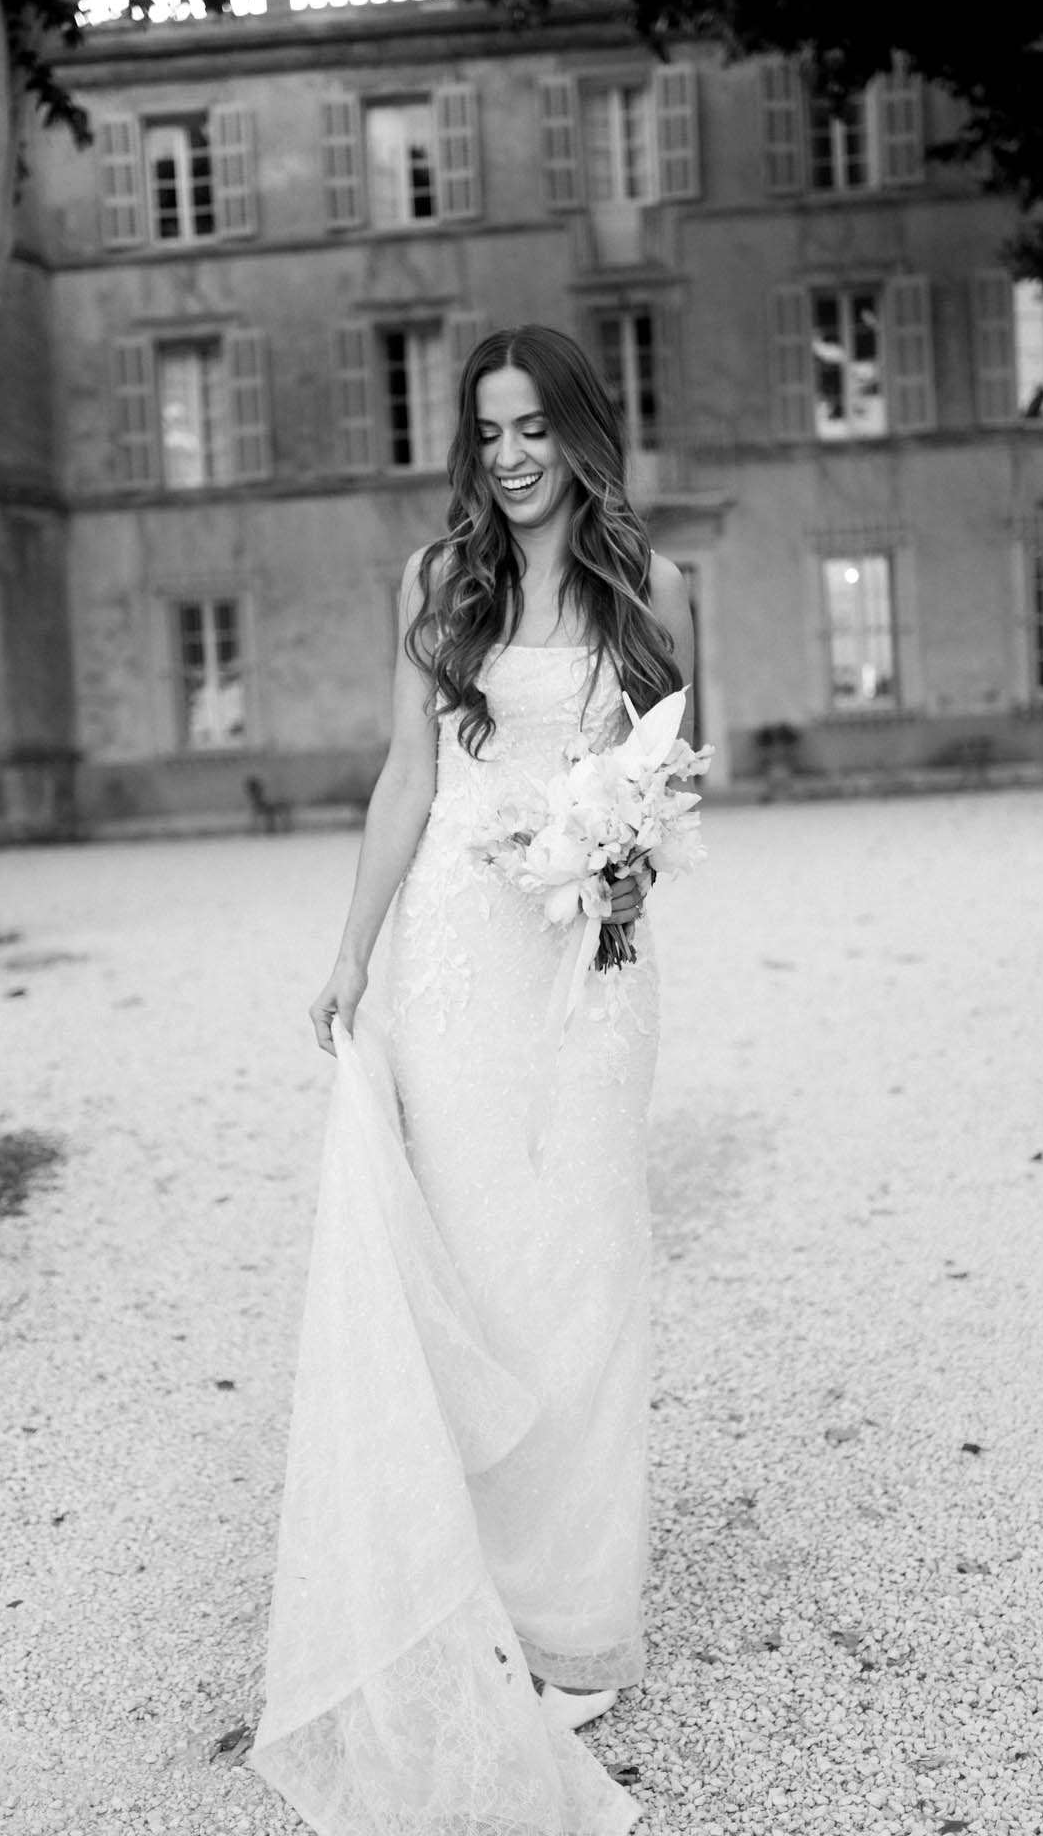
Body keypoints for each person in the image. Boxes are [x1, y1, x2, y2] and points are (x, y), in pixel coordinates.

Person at [251, 324, 695, 1836]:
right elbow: (405, 777)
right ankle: (476, 1589)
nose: (508, 455)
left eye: (531, 428)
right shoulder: (437, 585)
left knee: (582, 1266)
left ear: (579, 432)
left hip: (584, 971)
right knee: (475, 1269)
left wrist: (620, 859)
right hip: (451, 950)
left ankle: (575, 1609)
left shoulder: (655, 590)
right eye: (485, 429)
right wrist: (351, 954)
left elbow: (678, 773)